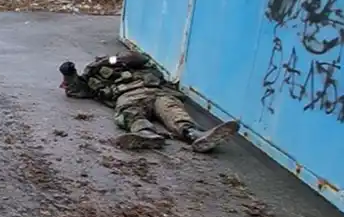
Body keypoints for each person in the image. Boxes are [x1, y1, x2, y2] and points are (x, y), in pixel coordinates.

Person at [58, 53, 240, 153]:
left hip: (157, 92)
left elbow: (139, 57)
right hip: (128, 96)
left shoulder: (135, 63)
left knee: (172, 110)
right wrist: (69, 73)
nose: (101, 61)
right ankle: (145, 134)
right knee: (130, 113)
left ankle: (196, 135)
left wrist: (112, 60)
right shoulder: (93, 77)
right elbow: (76, 90)